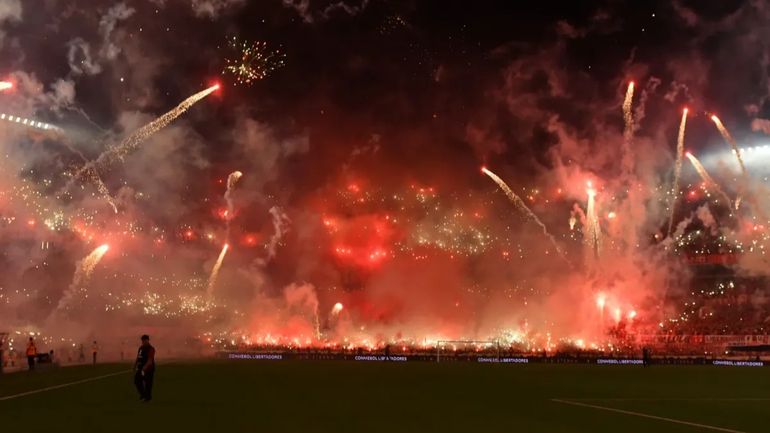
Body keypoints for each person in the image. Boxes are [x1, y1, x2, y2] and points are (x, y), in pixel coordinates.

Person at [134, 335, 156, 402]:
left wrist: (145, 367)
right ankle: (143, 394)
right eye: (142, 340)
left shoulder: (151, 349)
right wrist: (134, 365)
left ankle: (147, 397)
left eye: (145, 340)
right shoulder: (141, 348)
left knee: (148, 383)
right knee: (137, 380)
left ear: (148, 340)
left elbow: (150, 360)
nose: (143, 341)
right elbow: (138, 357)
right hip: (141, 369)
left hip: (148, 369)